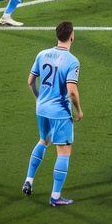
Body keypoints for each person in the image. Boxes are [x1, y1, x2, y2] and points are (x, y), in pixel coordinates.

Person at [23, 21, 83, 206]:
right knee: (64, 152)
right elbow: (72, 91)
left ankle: (29, 180)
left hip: (41, 108)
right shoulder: (72, 61)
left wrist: (39, 98)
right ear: (72, 36)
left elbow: (30, 81)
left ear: (57, 36)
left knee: (43, 140)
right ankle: (55, 196)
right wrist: (78, 110)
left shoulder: (42, 54)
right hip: (59, 112)